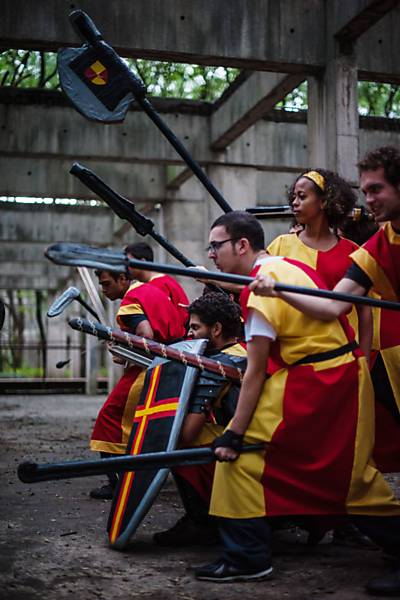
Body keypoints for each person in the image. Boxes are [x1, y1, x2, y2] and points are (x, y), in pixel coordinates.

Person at [193, 211, 400, 595]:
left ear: (241, 245)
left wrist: (234, 433)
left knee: (243, 456)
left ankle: (246, 556)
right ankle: (250, 548)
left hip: (318, 383)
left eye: (216, 246)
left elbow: (254, 372)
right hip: (328, 376)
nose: (211, 255)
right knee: (349, 478)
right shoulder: (284, 265)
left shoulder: (261, 288)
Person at [153, 292, 246, 547]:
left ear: (216, 328)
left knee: (176, 444)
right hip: (246, 435)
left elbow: (187, 434)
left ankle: (200, 520)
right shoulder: (244, 350)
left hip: (244, 447)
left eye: (195, 327)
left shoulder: (221, 363)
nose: (190, 334)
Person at [89, 268, 186, 499]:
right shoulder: (150, 291)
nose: (104, 290)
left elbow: (147, 335)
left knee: (110, 418)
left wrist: (124, 351)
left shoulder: (131, 299)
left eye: (106, 284)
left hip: (150, 367)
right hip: (174, 364)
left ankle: (119, 484)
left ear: (122, 279)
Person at [267, 169, 372, 357]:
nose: (294, 203)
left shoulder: (354, 252)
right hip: (292, 357)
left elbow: (364, 312)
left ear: (324, 201)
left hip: (343, 358)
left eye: (302, 197)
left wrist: (362, 360)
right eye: (293, 197)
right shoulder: (280, 245)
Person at [125, 242, 189, 329]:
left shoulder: (158, 285)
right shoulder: (162, 281)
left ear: (142, 262)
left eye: (129, 262)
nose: (126, 267)